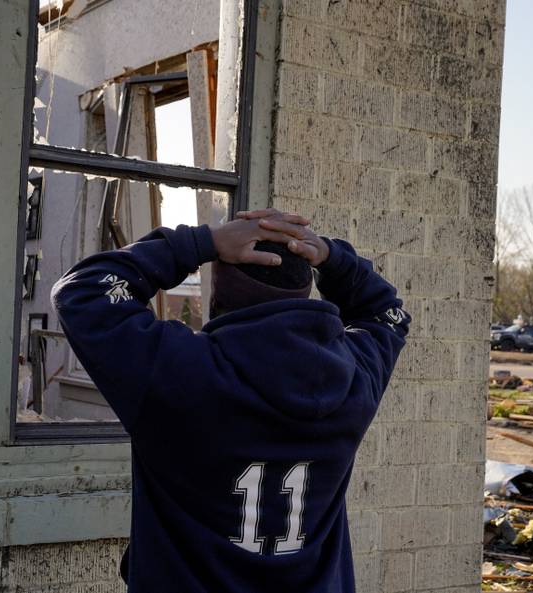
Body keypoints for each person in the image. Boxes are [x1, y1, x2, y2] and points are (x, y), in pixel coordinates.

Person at [52, 208, 410, 593]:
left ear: (216, 297)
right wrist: (329, 256)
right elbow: (386, 313)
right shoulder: (355, 379)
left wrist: (203, 242)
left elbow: (84, 291)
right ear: (304, 292)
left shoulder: (176, 373)